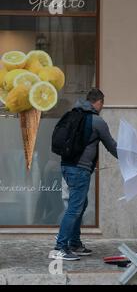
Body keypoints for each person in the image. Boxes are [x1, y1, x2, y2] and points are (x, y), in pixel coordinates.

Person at [50, 88, 118, 261]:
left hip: (66, 166)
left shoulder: (73, 114)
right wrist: (129, 157)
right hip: (79, 169)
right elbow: (111, 146)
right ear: (99, 102)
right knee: (74, 208)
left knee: (81, 203)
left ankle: (74, 243)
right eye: (103, 104)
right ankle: (60, 247)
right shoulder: (96, 121)